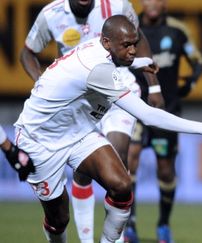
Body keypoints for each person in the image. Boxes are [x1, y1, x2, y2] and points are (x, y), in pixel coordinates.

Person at [14, 15, 202, 243]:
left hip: (77, 132)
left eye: (135, 43)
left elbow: (116, 63)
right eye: (126, 45)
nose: (133, 50)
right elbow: (148, 116)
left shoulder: (97, 47)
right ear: (107, 42)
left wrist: (140, 63)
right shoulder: (98, 70)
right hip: (39, 140)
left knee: (121, 185)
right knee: (59, 219)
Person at [19, 1, 164, 242]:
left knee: (118, 163)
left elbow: (138, 39)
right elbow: (27, 52)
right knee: (82, 175)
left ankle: (115, 237)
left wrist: (154, 86)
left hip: (118, 87)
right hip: (77, 103)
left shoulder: (118, 5)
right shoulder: (51, 14)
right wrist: (42, 82)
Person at [125, 0, 202, 242]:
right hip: (134, 109)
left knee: (166, 169)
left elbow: (198, 60)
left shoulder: (177, 31)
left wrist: (190, 82)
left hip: (166, 111)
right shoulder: (129, 28)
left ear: (165, 4)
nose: (152, 3)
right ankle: (130, 223)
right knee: (130, 160)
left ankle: (163, 224)